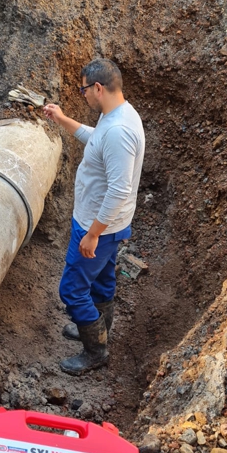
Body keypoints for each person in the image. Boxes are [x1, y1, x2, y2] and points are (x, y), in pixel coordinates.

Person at [43, 58, 145, 376]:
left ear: (98, 88)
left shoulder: (118, 131)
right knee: (101, 281)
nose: (83, 94)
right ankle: (99, 328)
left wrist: (92, 234)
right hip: (107, 224)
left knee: (72, 290)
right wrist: (62, 119)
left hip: (97, 225)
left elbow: (118, 189)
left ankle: (96, 351)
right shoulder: (115, 116)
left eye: (84, 88)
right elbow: (95, 139)